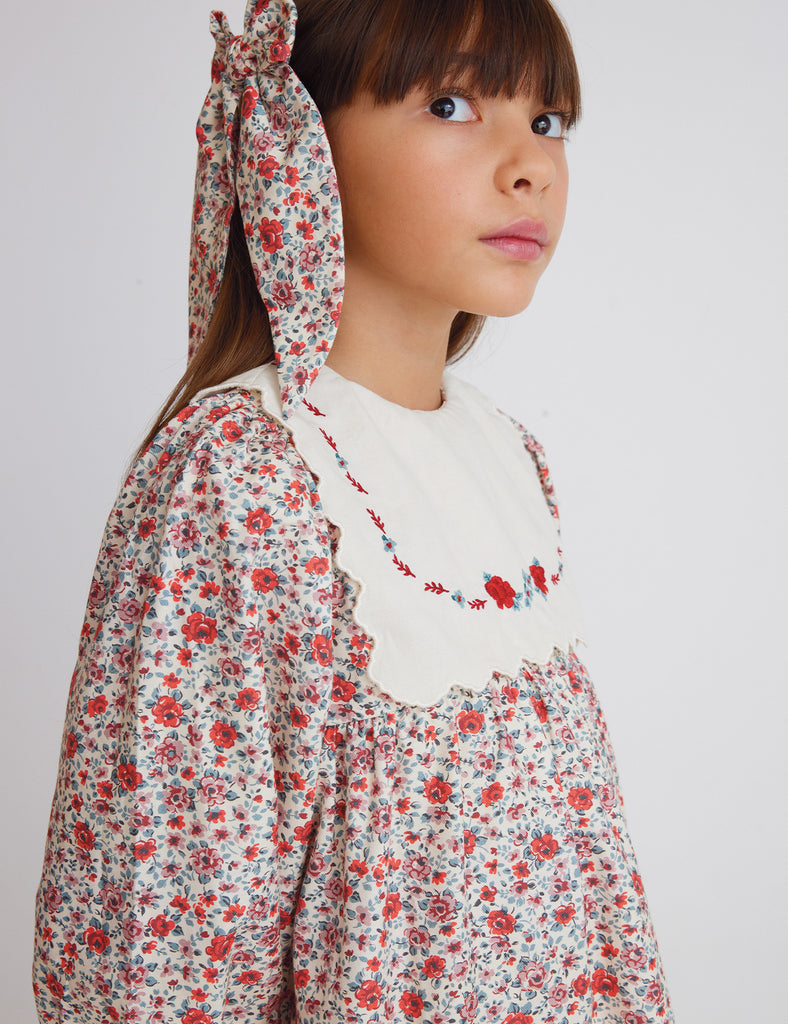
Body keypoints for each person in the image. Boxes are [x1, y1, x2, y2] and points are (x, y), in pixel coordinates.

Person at [32, 1, 674, 1021]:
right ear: (298, 141)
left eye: (546, 121)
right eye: (453, 102)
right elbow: (159, 939)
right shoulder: (238, 473)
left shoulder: (507, 454)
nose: (529, 166)